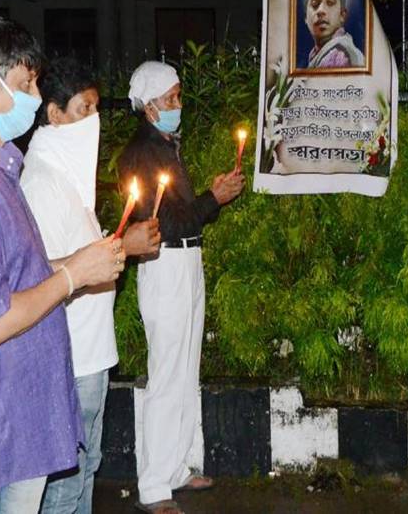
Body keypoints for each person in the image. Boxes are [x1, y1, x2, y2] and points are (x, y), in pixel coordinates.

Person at [0, 15, 127, 513]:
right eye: (26, 83)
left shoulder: (0, 168)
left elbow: (16, 274)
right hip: (1, 422)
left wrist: (82, 261)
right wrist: (74, 275)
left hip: (23, 411)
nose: (36, 95)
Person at [21, 57, 161, 514]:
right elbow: (40, 276)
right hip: (70, 360)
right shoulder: (43, 183)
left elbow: (84, 256)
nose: (94, 120)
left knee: (84, 475)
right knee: (65, 490)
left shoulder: (67, 176)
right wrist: (123, 246)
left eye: (97, 108)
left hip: (90, 357)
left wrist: (120, 247)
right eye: (84, 108)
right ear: (54, 113)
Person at [117, 61, 246, 514]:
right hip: (165, 264)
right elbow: (166, 224)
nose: (179, 104)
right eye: (171, 98)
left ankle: (176, 468)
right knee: (168, 373)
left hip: (185, 261)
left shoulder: (166, 146)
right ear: (150, 106)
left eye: (178, 96)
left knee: (186, 369)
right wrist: (214, 199)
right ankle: (154, 485)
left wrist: (211, 196)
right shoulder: (142, 153)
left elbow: (182, 214)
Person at [301, 0, 365, 69]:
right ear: (306, 17)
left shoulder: (340, 56)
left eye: (330, 2)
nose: (321, 10)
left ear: (342, 15)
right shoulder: (317, 55)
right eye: (315, 4)